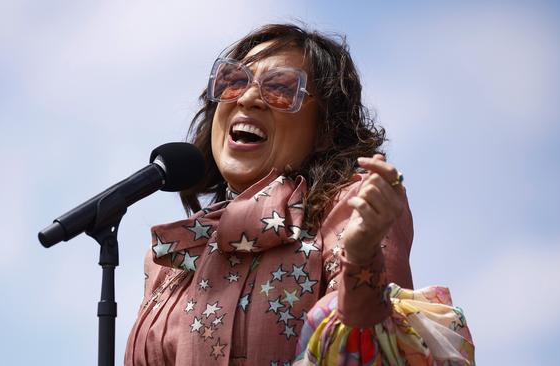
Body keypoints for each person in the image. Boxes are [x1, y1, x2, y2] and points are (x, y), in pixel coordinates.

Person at [125, 24, 474, 365]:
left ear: (325, 130)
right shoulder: (173, 258)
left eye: (280, 87)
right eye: (233, 81)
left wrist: (362, 254)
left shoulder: (351, 208)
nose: (248, 98)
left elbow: (373, 349)